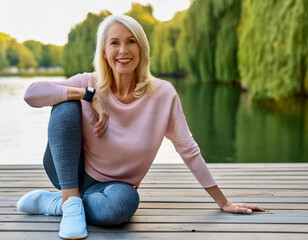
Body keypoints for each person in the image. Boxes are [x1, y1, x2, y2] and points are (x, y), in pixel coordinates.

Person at [17, 15, 265, 239]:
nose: (123, 50)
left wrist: (223, 202)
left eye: (131, 41)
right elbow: (32, 94)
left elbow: (188, 148)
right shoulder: (88, 81)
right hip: (68, 169)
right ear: (104, 51)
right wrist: (89, 95)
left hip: (114, 188)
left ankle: (61, 203)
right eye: (114, 43)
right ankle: (70, 197)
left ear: (141, 49)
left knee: (123, 206)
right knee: (65, 102)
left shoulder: (163, 94)